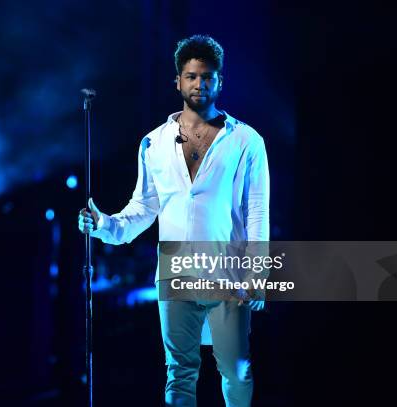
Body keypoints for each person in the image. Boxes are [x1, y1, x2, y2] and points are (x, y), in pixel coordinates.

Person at [78, 34, 269, 407]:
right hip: (175, 271)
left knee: (235, 370)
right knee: (179, 372)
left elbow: (257, 209)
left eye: (208, 76)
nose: (200, 84)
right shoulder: (153, 144)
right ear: (178, 81)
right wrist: (104, 224)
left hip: (227, 271)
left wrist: (256, 274)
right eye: (192, 76)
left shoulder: (246, 141)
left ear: (220, 81)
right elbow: (143, 208)